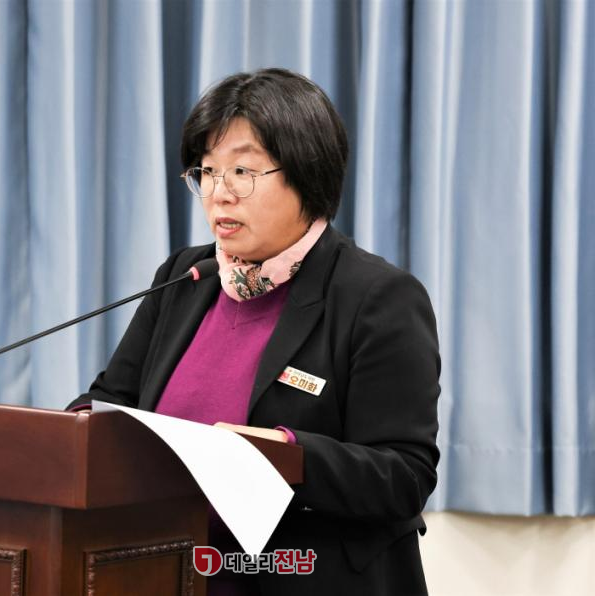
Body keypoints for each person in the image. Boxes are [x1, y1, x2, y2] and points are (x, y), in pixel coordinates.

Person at [68, 68, 440, 595]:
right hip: (167, 575)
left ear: (307, 173)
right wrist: (75, 429)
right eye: (207, 171)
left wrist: (287, 453)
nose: (219, 194)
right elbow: (112, 402)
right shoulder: (185, 277)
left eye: (242, 171)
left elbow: (404, 476)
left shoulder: (377, 298)